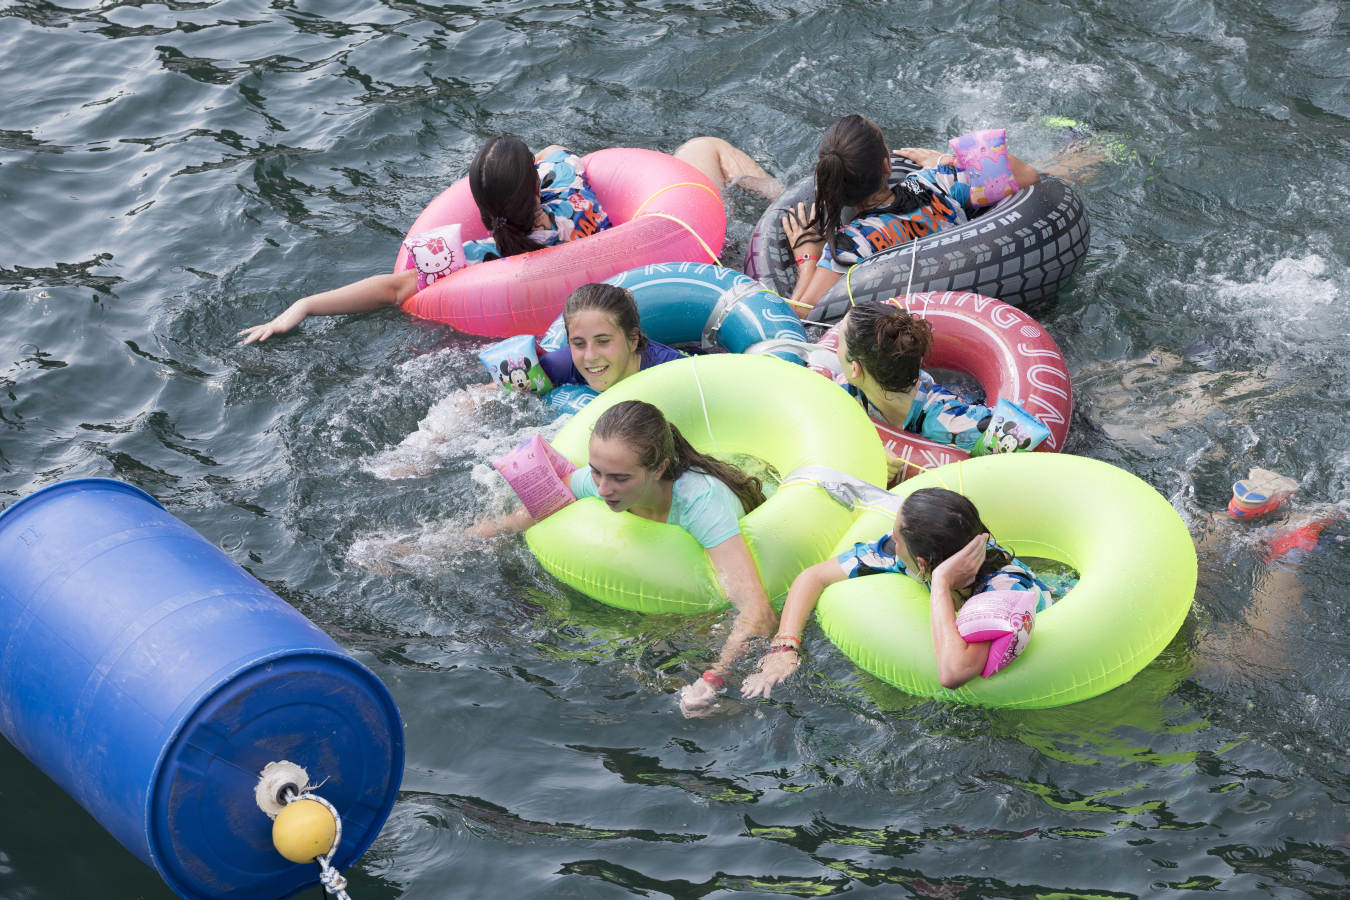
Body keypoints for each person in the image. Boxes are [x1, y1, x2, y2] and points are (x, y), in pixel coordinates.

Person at [473, 400, 778, 716]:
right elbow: (532, 511)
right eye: (596, 472)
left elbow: (758, 612)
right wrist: (453, 542)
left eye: (620, 478)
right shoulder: (602, 482)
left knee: (700, 706)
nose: (604, 489)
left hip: (704, 601)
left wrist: (712, 680)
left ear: (658, 468)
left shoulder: (700, 504)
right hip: (660, 601)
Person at [237, 136, 612, 344]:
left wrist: (303, 305)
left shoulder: (479, 259)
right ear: (536, 186)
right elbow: (554, 152)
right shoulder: (572, 191)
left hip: (505, 336)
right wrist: (539, 164)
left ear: (480, 207)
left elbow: (392, 289)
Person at [742, 487, 1053, 699]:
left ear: (921, 562)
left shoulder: (1006, 588)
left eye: (896, 536)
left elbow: (953, 672)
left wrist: (941, 582)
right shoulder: (895, 554)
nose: (891, 541)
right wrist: (783, 648)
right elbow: (814, 576)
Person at [782, 114, 1041, 310]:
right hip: (983, 295)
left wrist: (807, 258)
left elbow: (803, 312)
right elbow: (1027, 175)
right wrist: (944, 160)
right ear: (887, 164)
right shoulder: (936, 182)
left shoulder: (851, 245)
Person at [834, 300, 1006, 482]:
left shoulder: (948, 422)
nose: (835, 351)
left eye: (838, 343)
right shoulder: (844, 391)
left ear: (855, 369)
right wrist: (866, 449)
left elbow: (1029, 443)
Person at [540, 283, 684, 392]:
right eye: (578, 343)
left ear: (633, 339)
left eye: (603, 341)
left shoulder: (675, 374)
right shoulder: (564, 365)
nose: (590, 356)